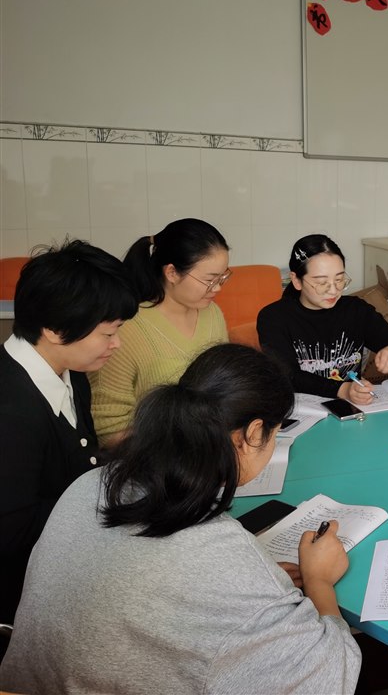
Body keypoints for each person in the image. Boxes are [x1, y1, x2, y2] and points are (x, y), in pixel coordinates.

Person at [0, 344, 361, 693]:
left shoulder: (92, 483)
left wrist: (249, 591)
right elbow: (332, 679)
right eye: (275, 435)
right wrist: (319, 581)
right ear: (252, 435)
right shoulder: (220, 552)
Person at [0, 240, 137, 625]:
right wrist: (122, 506)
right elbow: (13, 535)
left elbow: (80, 463)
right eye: (108, 333)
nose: (117, 344)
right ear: (54, 329)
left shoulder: (70, 371)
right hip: (30, 598)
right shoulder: (10, 410)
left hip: (72, 561)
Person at [89, 218, 231, 445]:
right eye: (210, 280)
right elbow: (109, 429)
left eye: (223, 277)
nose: (218, 288)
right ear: (172, 273)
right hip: (150, 457)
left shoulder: (212, 314)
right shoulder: (126, 327)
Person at [257, 234, 388, 403]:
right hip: (301, 408)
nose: (333, 290)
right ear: (297, 280)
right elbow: (288, 376)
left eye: (339, 279)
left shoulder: (356, 310)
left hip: (349, 407)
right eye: (321, 282)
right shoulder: (274, 317)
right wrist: (342, 390)